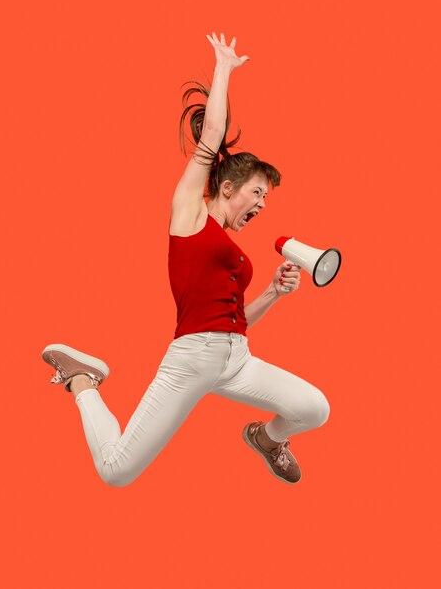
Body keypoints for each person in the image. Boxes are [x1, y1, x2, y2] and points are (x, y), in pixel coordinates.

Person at [42, 32, 330, 487]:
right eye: (258, 191)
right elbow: (211, 135)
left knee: (314, 408)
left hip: (237, 358)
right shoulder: (190, 214)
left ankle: (267, 440)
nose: (262, 204)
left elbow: (235, 320)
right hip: (192, 359)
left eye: (267, 199)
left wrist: (273, 291)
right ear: (228, 188)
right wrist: (223, 67)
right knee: (116, 471)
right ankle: (83, 379)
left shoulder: (235, 252)